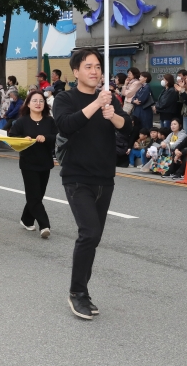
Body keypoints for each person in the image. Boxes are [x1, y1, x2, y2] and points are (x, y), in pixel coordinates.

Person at [54, 48, 132, 320]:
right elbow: (65, 125)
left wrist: (113, 115)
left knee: (94, 237)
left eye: (98, 66)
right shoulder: (65, 98)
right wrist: (97, 104)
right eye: (88, 66)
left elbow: (129, 128)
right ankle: (77, 293)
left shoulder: (110, 99)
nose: (94, 71)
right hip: (77, 178)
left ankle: (83, 292)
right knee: (89, 233)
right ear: (76, 71)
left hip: (104, 178)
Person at [9, 90, 56, 238]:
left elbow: (57, 137)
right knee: (34, 196)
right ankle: (44, 225)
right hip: (28, 164)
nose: (38, 103)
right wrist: (23, 139)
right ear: (28, 104)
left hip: (45, 163)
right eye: (34, 101)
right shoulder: (21, 122)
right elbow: (12, 138)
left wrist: (46, 138)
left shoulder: (50, 121)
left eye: (41, 101)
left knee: (37, 195)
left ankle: (26, 219)